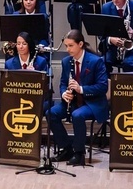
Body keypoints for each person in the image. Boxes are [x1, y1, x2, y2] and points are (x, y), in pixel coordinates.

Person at [46, 30, 108, 166]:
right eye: (66, 46)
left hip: (92, 103)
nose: (68, 49)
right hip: (73, 101)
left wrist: (81, 89)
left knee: (77, 115)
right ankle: (67, 148)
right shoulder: (66, 61)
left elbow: (103, 87)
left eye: (71, 46)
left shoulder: (96, 61)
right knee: (51, 113)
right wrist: (64, 93)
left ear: (80, 44)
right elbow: (63, 83)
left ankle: (79, 153)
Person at [4, 31, 52, 114]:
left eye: (24, 44)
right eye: (18, 44)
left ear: (29, 45)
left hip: (37, 99)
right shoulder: (9, 64)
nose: (21, 46)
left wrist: (34, 75)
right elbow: (7, 87)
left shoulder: (41, 62)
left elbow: (46, 85)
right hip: (16, 99)